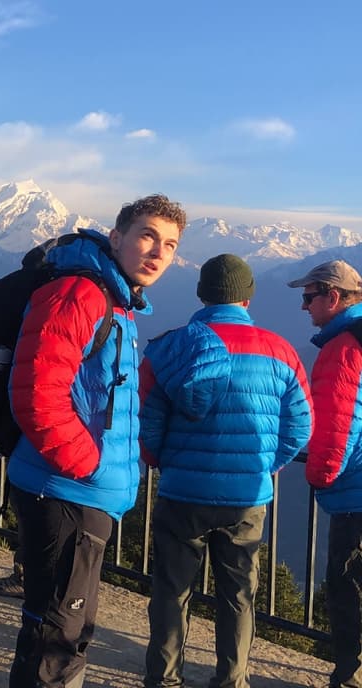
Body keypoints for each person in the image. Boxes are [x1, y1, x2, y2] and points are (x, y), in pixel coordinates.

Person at [7, 195, 186, 687]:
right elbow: (36, 393)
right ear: (116, 237)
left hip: (78, 490)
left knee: (57, 625)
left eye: (169, 245)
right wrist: (86, 464)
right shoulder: (83, 294)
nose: (157, 252)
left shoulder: (117, 300)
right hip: (66, 489)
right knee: (60, 635)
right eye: (147, 236)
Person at [141, 254, 312, 688]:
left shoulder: (175, 347)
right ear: (249, 298)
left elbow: (149, 421)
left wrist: (168, 463)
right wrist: (261, 465)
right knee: (238, 595)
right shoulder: (281, 351)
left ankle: (164, 678)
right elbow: (300, 426)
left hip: (182, 491)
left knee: (171, 589)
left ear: (201, 294)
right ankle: (232, 679)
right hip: (247, 497)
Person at [287, 259, 362, 688]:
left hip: (356, 494)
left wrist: (319, 475)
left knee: (348, 587)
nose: (303, 307)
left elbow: (338, 423)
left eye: (308, 297)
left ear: (332, 297)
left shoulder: (344, 346)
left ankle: (351, 676)